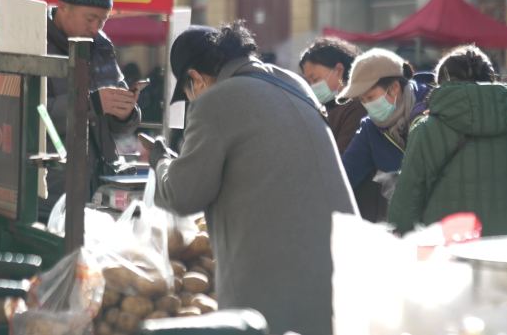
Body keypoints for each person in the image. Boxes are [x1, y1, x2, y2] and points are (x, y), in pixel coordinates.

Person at [146, 21, 358, 335]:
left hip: (277, 287)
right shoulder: (294, 84)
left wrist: (160, 160)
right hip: (345, 269)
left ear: (195, 78)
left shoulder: (216, 101)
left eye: (188, 93)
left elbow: (183, 194)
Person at [387, 45, 507, 236]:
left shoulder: (427, 132)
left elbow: (403, 211)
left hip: (450, 255)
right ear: (492, 80)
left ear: (442, 84)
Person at [41, 0, 141, 222]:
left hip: (100, 185)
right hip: (50, 189)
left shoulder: (102, 46)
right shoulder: (35, 42)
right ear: (64, 7)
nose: (96, 28)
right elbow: (34, 114)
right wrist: (91, 104)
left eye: (103, 20)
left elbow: (121, 127)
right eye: (91, 18)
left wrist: (127, 112)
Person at [337, 48, 430, 222]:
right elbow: (343, 177)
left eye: (370, 97)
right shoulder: (370, 129)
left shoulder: (433, 108)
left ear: (394, 88)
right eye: (362, 100)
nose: (367, 105)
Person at [299, 37, 366, 153]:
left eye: (315, 79)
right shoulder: (325, 106)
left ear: (339, 70)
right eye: (309, 82)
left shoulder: (357, 106)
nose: (312, 86)